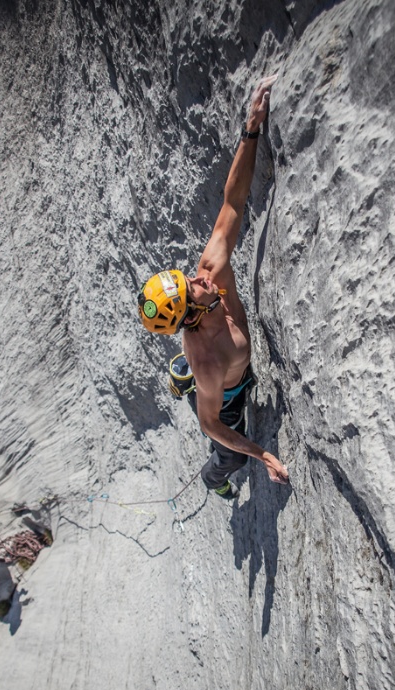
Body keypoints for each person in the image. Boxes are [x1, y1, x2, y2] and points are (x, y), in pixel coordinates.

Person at [137, 74, 289, 499]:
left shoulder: (210, 273)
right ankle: (213, 481)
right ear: (190, 313)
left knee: (202, 379)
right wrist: (262, 455)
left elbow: (233, 202)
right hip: (227, 390)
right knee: (231, 457)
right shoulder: (206, 360)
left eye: (186, 278)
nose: (199, 276)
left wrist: (251, 128)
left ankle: (178, 375)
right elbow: (211, 425)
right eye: (192, 287)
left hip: (217, 369)